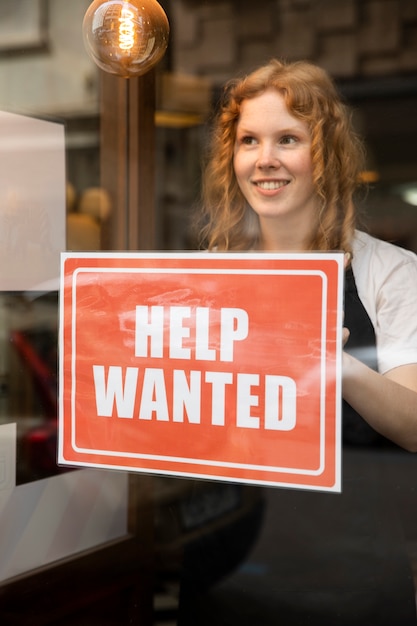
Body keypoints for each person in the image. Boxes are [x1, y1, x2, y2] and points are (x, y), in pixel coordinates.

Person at [180, 59, 417, 624]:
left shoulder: (390, 271)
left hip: (349, 569)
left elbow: (413, 425)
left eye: (288, 139)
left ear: (326, 154)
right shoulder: (207, 275)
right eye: (248, 141)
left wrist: (336, 363)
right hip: (225, 558)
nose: (265, 159)